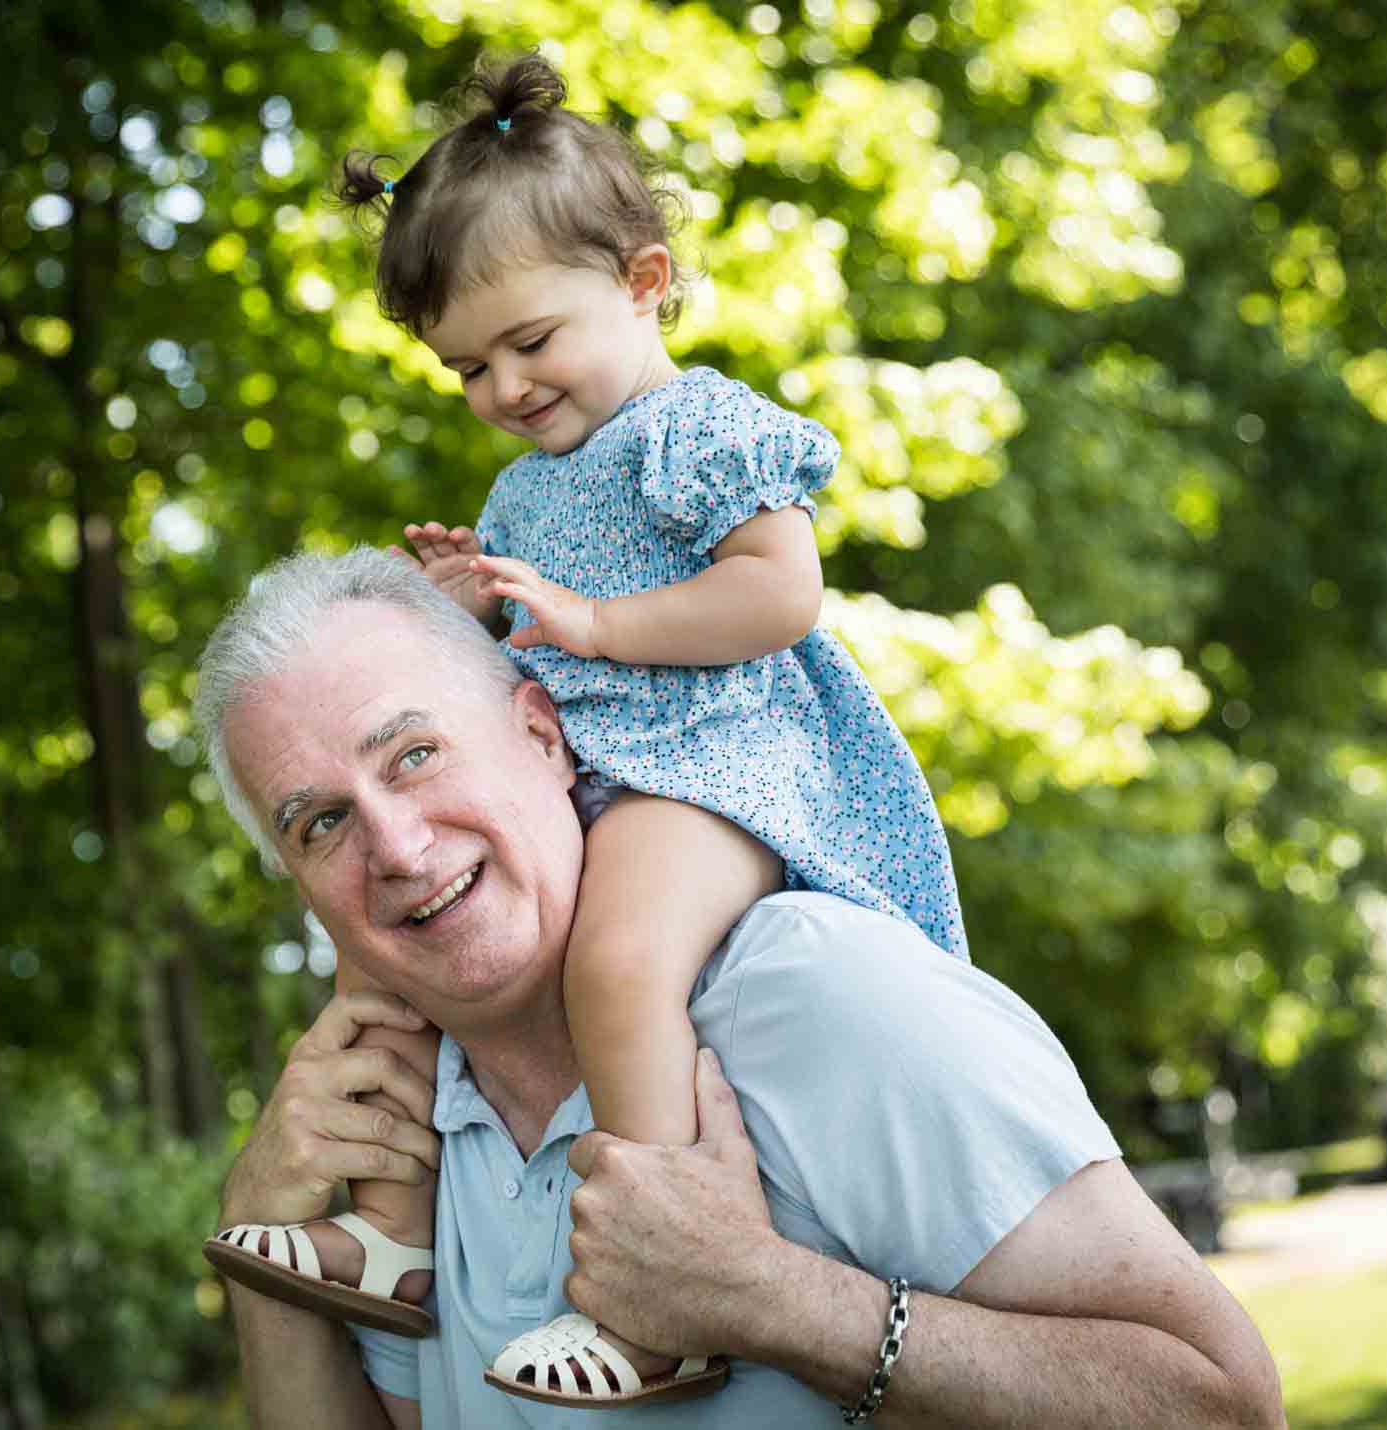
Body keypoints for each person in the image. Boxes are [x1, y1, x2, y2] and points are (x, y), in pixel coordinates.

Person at [207, 52, 972, 1404]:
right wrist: (471, 607)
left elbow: (779, 594)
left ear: (643, 280)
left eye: (530, 343)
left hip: (721, 756)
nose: (504, 387)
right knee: (374, 978)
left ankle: (653, 1291)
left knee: (619, 964)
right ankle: (386, 1237)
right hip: (616, 759)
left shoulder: (699, 428)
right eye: (466, 370)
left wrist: (600, 626)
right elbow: (516, 664)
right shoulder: (527, 488)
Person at [193, 546, 1285, 1426]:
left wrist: (769, 1298)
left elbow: (1222, 1400)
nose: (393, 842)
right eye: (320, 820)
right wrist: (257, 1237)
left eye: (415, 755)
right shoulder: (399, 1131)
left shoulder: (816, 992)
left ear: (540, 733)